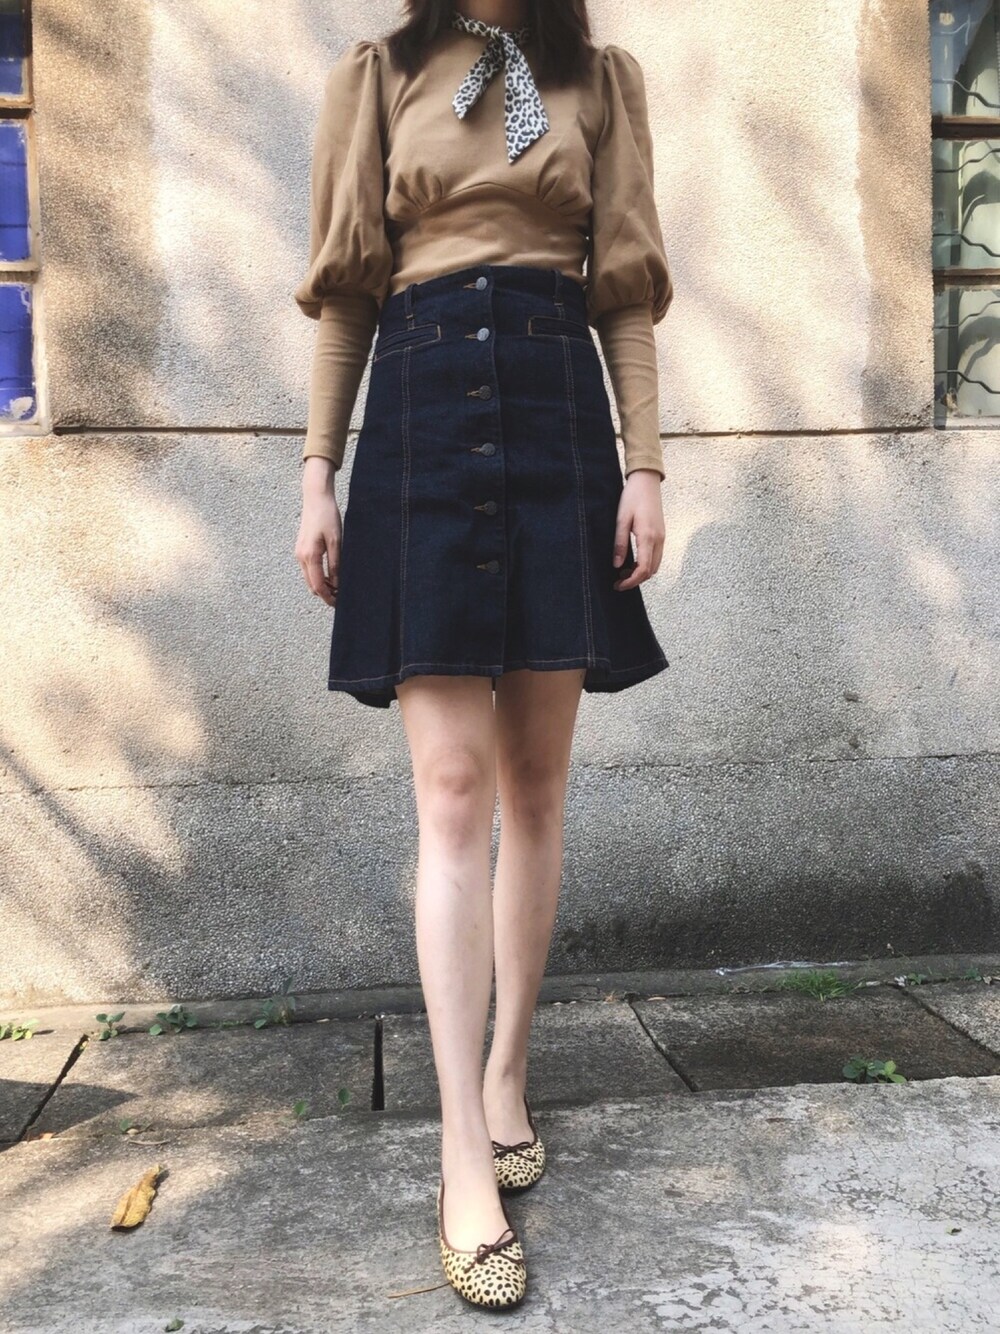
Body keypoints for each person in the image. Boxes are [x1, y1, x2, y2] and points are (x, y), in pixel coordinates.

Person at [292, 0, 673, 1310]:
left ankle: (510, 1069)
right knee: (451, 791)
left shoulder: (598, 79)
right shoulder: (380, 74)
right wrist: (317, 471)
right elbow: (348, 287)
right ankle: (463, 1146)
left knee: (536, 788)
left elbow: (625, 287)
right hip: (422, 420)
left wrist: (646, 465)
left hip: (560, 413)